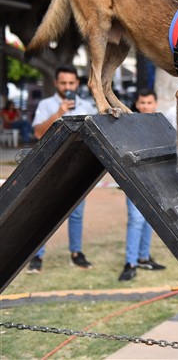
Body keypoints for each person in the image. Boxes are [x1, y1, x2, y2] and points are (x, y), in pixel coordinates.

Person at [27, 65, 96, 273]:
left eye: (71, 83)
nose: (67, 87)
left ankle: (76, 253)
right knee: (43, 212)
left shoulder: (87, 106)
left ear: (77, 83)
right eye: (63, 83)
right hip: (49, 166)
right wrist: (59, 113)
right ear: (56, 83)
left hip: (76, 166)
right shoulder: (46, 105)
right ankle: (36, 256)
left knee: (76, 213)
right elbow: (38, 133)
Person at [119, 89, 167, 281]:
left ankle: (143, 257)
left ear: (155, 104)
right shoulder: (128, 126)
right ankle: (130, 263)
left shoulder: (161, 124)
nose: (146, 106)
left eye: (149, 103)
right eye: (142, 103)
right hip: (134, 179)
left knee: (150, 220)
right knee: (136, 220)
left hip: (155, 180)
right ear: (137, 105)